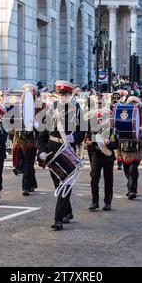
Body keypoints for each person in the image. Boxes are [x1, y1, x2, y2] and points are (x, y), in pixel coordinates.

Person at [38, 80, 85, 231]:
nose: (62, 97)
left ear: (71, 95)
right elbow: (42, 135)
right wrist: (42, 150)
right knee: (58, 183)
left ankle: (58, 219)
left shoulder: (77, 110)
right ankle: (68, 211)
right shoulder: (50, 111)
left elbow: (83, 131)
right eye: (59, 94)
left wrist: (75, 138)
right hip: (52, 151)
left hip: (67, 151)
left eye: (65, 94)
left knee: (65, 184)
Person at [86, 111, 118, 211]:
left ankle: (107, 202)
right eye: (100, 120)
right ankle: (94, 202)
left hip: (108, 157)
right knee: (94, 179)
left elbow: (116, 145)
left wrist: (109, 143)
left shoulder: (113, 131)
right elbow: (87, 140)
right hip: (96, 156)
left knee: (108, 180)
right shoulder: (93, 130)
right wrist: (89, 143)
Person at [117, 96, 142, 200]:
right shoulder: (123, 113)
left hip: (136, 146)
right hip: (124, 146)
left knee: (133, 169)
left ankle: (132, 190)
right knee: (126, 169)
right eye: (131, 102)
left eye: (134, 103)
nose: (132, 104)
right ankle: (130, 186)